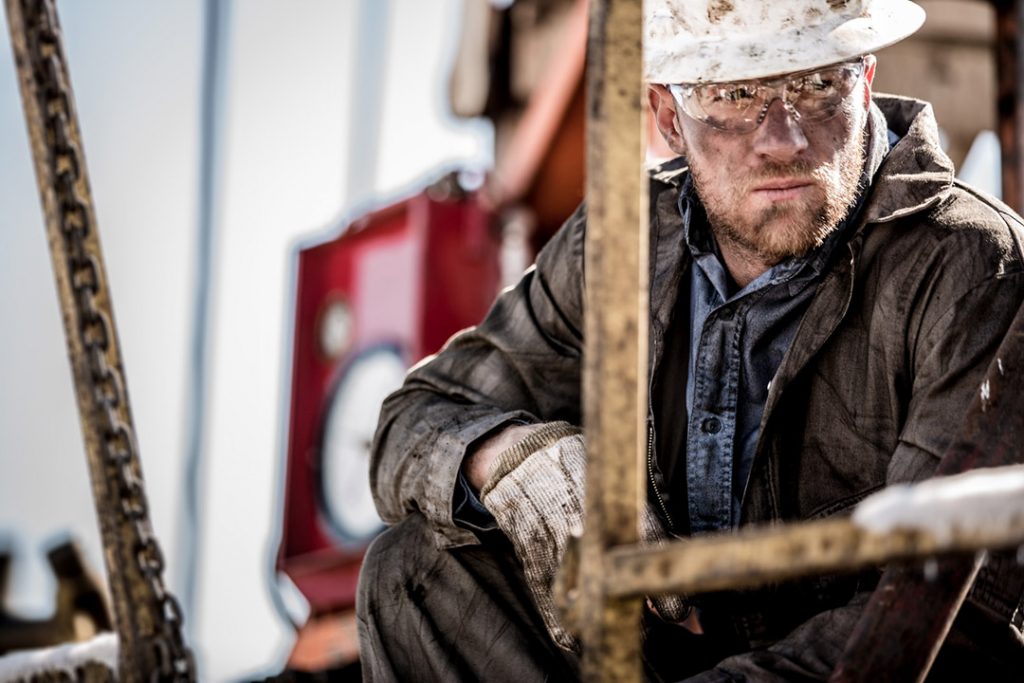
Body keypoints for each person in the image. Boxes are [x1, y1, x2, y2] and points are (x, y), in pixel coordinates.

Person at [357, 0, 1024, 680]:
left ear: (866, 79)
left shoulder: (973, 266)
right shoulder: (619, 245)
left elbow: (950, 608)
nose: (782, 138)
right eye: (734, 93)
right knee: (412, 572)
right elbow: (409, 424)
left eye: (817, 83)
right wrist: (505, 457)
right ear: (668, 117)